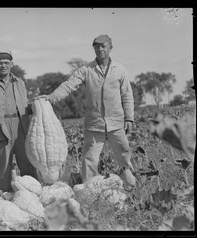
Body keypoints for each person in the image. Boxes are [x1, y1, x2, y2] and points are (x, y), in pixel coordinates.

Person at [36, 34, 136, 189]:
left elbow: (127, 95)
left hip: (116, 122)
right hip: (94, 123)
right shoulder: (86, 70)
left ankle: (130, 186)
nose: (100, 49)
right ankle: (89, 190)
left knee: (124, 154)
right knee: (90, 159)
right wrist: (52, 97)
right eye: (97, 46)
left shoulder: (120, 70)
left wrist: (129, 118)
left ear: (110, 48)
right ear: (94, 48)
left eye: (103, 46)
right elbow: (69, 85)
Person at [0, 49, 38, 192]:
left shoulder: (20, 83)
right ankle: (6, 196)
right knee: (4, 166)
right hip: (0, 128)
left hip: (20, 126)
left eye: (6, 63)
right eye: (0, 63)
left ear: (11, 64)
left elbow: (25, 106)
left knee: (27, 163)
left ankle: (33, 193)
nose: (3, 66)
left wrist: (39, 105)